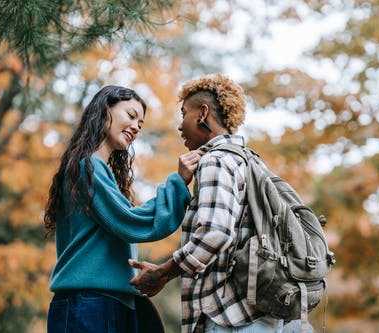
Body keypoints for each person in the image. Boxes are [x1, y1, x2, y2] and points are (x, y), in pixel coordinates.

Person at [130, 74, 307, 333]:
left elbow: (215, 233)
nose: (180, 126)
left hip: (230, 320)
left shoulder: (216, 161)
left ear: (202, 113)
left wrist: (163, 274)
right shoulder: (249, 161)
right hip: (260, 316)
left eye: (184, 114)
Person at [44, 85, 202, 333]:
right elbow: (132, 222)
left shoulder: (98, 171)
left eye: (140, 123)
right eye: (130, 115)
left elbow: (129, 218)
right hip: (88, 304)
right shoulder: (88, 167)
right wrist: (178, 183)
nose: (136, 126)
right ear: (104, 109)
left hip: (109, 303)